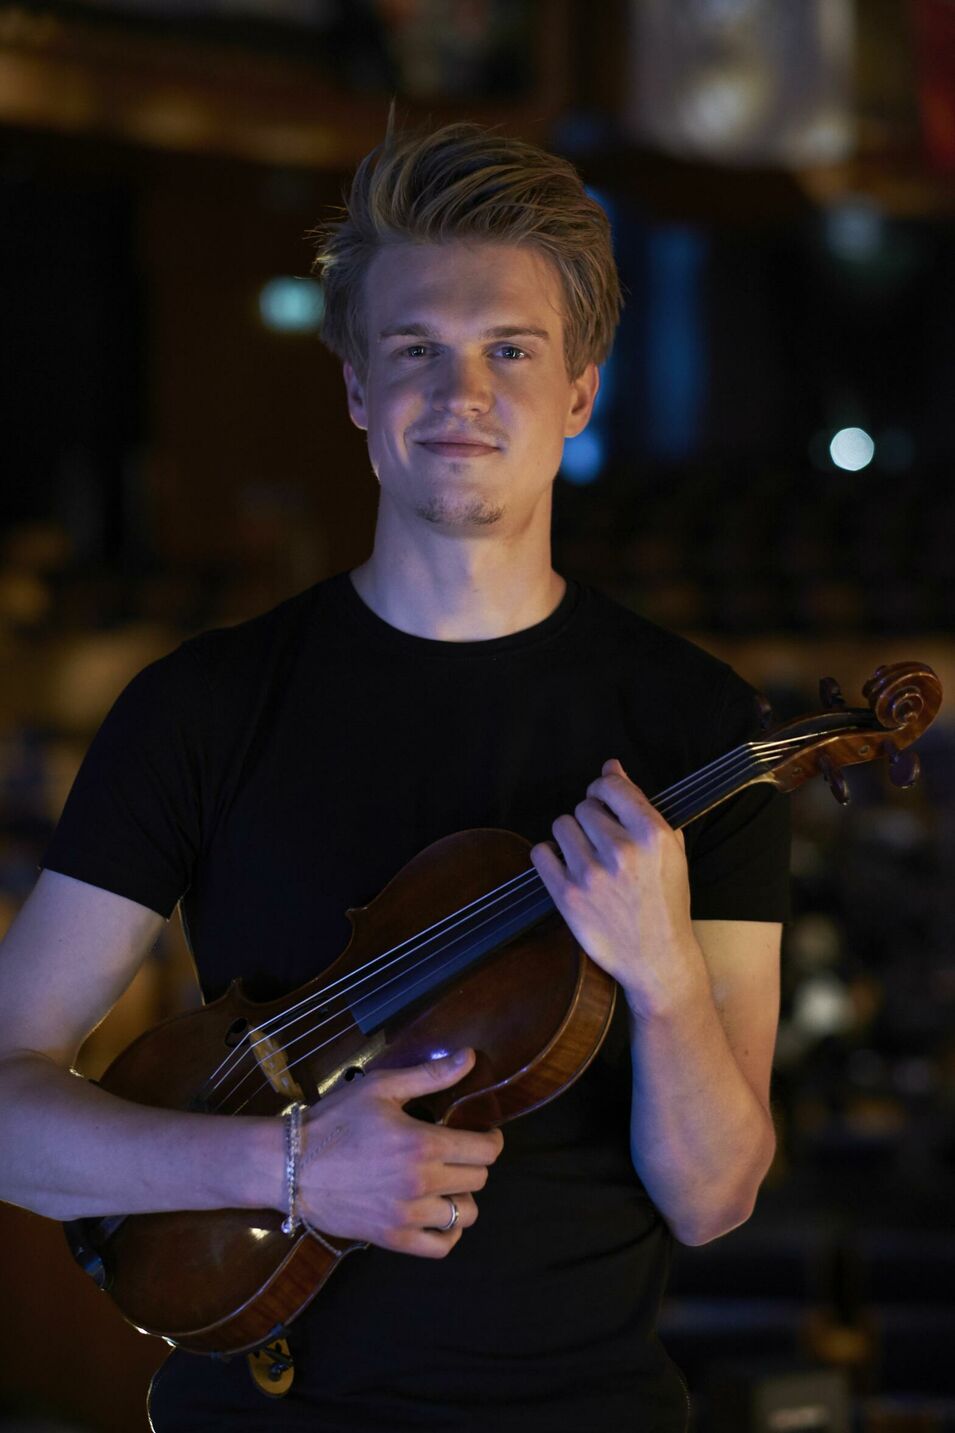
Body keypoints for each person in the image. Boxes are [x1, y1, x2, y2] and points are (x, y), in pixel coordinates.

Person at [0, 122, 789, 1431]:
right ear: (359, 387)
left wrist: (660, 979)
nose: (462, 391)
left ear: (582, 390)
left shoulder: (699, 729)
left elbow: (714, 1196)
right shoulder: (200, 708)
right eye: (414, 348)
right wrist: (291, 1166)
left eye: (511, 350)